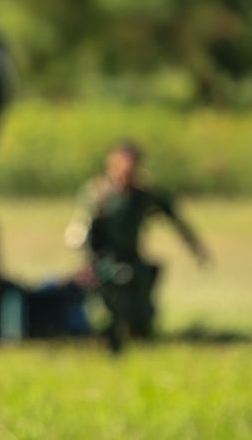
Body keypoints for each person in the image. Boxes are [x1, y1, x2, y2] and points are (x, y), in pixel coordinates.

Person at [69, 141, 208, 352]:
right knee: (108, 310)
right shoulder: (99, 194)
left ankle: (139, 336)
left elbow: (175, 219)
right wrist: (89, 263)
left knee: (141, 311)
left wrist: (195, 248)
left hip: (132, 258)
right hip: (104, 259)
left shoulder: (142, 195)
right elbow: (82, 231)